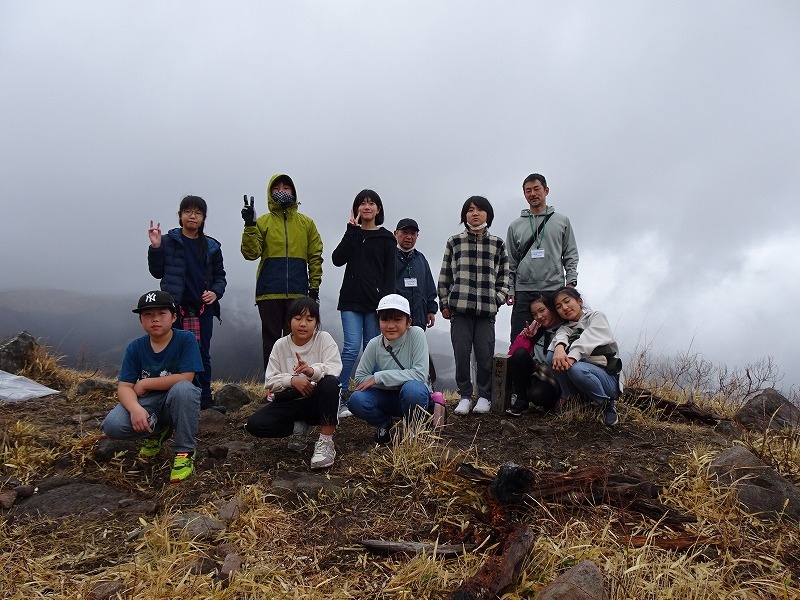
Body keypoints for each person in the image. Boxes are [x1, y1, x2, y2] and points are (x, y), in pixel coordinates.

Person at [101, 291, 203, 483]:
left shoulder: (185, 339)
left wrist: (145, 383)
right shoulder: (135, 348)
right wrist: (135, 409)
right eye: (148, 314)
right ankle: (157, 431)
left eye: (162, 313)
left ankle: (185, 452)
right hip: (149, 404)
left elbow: (186, 377)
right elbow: (124, 386)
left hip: (177, 402)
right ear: (141, 320)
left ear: (174, 317)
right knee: (112, 425)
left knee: (184, 389)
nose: (155, 319)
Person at [148, 195, 226, 412]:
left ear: (204, 218)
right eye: (188, 211)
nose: (193, 216)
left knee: (202, 354)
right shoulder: (168, 241)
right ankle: (174, 399)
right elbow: (157, 272)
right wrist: (155, 247)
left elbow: (220, 276)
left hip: (203, 310)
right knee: (174, 353)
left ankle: (204, 399)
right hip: (175, 310)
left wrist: (215, 293)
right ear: (180, 215)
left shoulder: (211, 246)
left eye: (198, 213)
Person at [244, 297, 342, 469]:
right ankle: (299, 428)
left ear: (316, 323)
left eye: (309, 319)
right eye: (298, 318)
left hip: (316, 402)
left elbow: (334, 367)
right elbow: (270, 381)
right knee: (255, 425)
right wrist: (292, 380)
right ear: (289, 321)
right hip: (289, 401)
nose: (303, 324)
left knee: (330, 383)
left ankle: (326, 442)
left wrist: (311, 371)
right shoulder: (280, 344)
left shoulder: (323, 339)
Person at [241, 174, 323, 370]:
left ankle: (296, 381)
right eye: (276, 188)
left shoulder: (306, 223)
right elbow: (250, 254)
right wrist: (250, 225)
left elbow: (315, 256)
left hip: (298, 292)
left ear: (293, 192)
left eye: (286, 188)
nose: (281, 191)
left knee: (298, 340)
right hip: (269, 291)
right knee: (271, 342)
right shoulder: (262, 222)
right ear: (270, 193)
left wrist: (314, 289)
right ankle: (272, 382)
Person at [438, 196, 510, 416]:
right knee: (461, 354)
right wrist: (445, 303)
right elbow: (445, 275)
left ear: (488, 214)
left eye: (479, 209)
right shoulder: (454, 242)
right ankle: (465, 396)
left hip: (486, 311)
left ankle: (485, 396)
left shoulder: (497, 243)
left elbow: (505, 276)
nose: (475, 213)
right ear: (464, 215)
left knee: (484, 355)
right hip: (459, 309)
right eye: (470, 210)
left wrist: (497, 299)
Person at [332, 189, 396, 418]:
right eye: (362, 203)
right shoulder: (353, 234)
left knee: (373, 348)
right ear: (356, 208)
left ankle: (372, 395)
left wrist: (386, 306)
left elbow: (390, 275)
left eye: (371, 203)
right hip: (350, 300)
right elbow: (337, 259)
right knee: (351, 348)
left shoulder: (387, 238)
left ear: (378, 209)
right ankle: (338, 396)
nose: (367, 207)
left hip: (375, 304)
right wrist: (350, 232)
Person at [347, 294, 431, 445]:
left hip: (412, 397)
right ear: (378, 321)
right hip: (388, 399)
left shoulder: (416, 334)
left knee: (412, 389)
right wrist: (392, 381)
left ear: (408, 322)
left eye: (397, 319)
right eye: (385, 319)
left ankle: (413, 427)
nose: (391, 326)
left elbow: (420, 374)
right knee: (356, 400)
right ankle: (384, 424)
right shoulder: (375, 344)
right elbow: (360, 378)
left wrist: (379, 377)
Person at [505, 173, 579, 342]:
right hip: (523, 290)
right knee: (520, 340)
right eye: (528, 190)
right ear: (524, 194)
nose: (533, 194)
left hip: (554, 289)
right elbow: (510, 261)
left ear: (546, 190)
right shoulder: (515, 226)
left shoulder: (562, 221)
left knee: (557, 339)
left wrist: (571, 281)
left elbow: (570, 253)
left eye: (536, 189)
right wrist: (510, 288)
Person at [548, 287, 623, 426]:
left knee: (576, 368)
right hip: (583, 377)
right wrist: (559, 347)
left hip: (607, 380)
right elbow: (561, 336)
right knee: (551, 356)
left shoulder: (596, 317)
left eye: (567, 301)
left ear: (579, 301)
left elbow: (588, 338)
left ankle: (606, 404)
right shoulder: (565, 328)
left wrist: (571, 358)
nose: (564, 307)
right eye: (558, 306)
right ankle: (572, 399)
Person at [505, 293, 562, 416]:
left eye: (542, 310)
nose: (539, 317)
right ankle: (521, 400)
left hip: (554, 377)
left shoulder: (564, 329)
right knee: (519, 354)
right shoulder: (536, 328)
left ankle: (552, 402)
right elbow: (517, 353)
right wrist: (529, 338)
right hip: (536, 372)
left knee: (536, 394)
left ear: (551, 308)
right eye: (534, 314)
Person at [394, 218, 438, 330]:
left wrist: (431, 310)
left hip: (418, 318)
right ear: (395, 234)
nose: (409, 237)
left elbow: (429, 287)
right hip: (394, 318)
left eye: (413, 234)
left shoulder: (421, 259)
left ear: (417, 236)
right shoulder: (388, 257)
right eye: (404, 232)